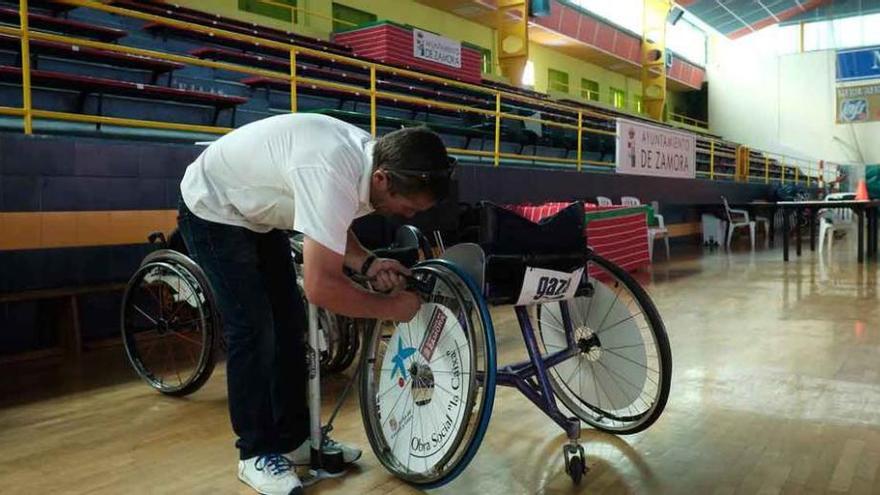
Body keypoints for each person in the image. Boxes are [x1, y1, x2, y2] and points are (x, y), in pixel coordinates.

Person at [176, 113, 454, 495]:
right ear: (382, 179)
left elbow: (332, 223)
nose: (409, 216)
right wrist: (389, 308)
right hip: (212, 208)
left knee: (290, 326)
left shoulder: (371, 161)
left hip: (257, 215)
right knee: (255, 330)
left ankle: (293, 441)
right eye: (408, 207)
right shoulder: (331, 169)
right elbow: (321, 287)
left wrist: (369, 263)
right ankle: (255, 453)